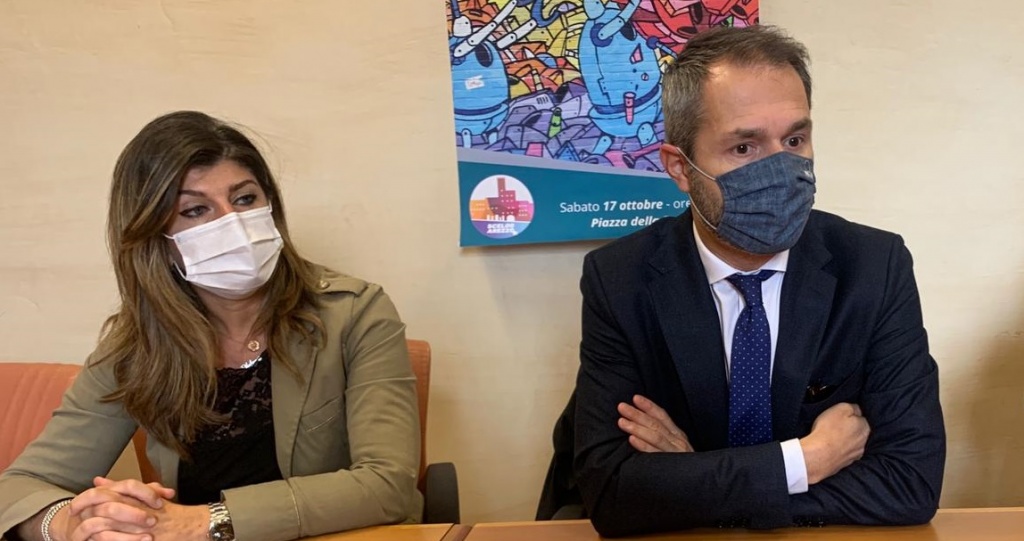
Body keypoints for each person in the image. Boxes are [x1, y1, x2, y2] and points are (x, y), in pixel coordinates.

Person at [541, 26, 946, 535]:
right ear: (680, 168)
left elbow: (910, 484)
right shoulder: (621, 279)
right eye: (744, 148)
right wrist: (803, 461)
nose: (781, 168)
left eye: (794, 140)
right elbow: (614, 494)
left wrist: (695, 479)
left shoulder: (874, 266)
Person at [0, 111, 422, 541]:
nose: (231, 222)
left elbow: (388, 484)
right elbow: (17, 488)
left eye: (244, 199)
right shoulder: (138, 343)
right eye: (196, 210)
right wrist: (68, 522)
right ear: (155, 239)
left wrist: (206, 522)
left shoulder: (355, 312)